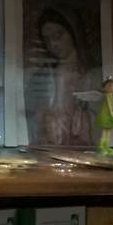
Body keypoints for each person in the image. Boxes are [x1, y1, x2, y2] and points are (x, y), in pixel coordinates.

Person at [31, 9, 92, 146]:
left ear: (73, 32)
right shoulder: (43, 76)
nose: (52, 44)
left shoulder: (92, 73)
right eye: (47, 40)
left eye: (58, 36)